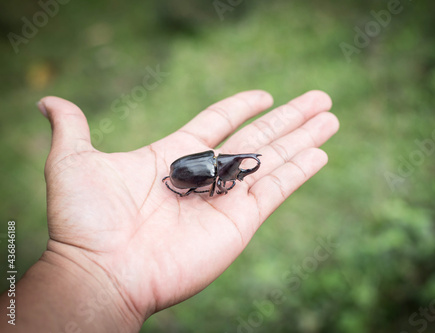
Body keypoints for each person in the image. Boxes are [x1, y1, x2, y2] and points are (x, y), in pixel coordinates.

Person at [0, 90, 339, 332]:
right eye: (237, 172)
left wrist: (92, 274)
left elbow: (220, 176)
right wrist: (92, 270)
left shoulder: (216, 164)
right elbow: (211, 182)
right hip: (185, 173)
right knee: (202, 186)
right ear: (226, 169)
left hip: (186, 169)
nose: (237, 176)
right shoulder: (212, 173)